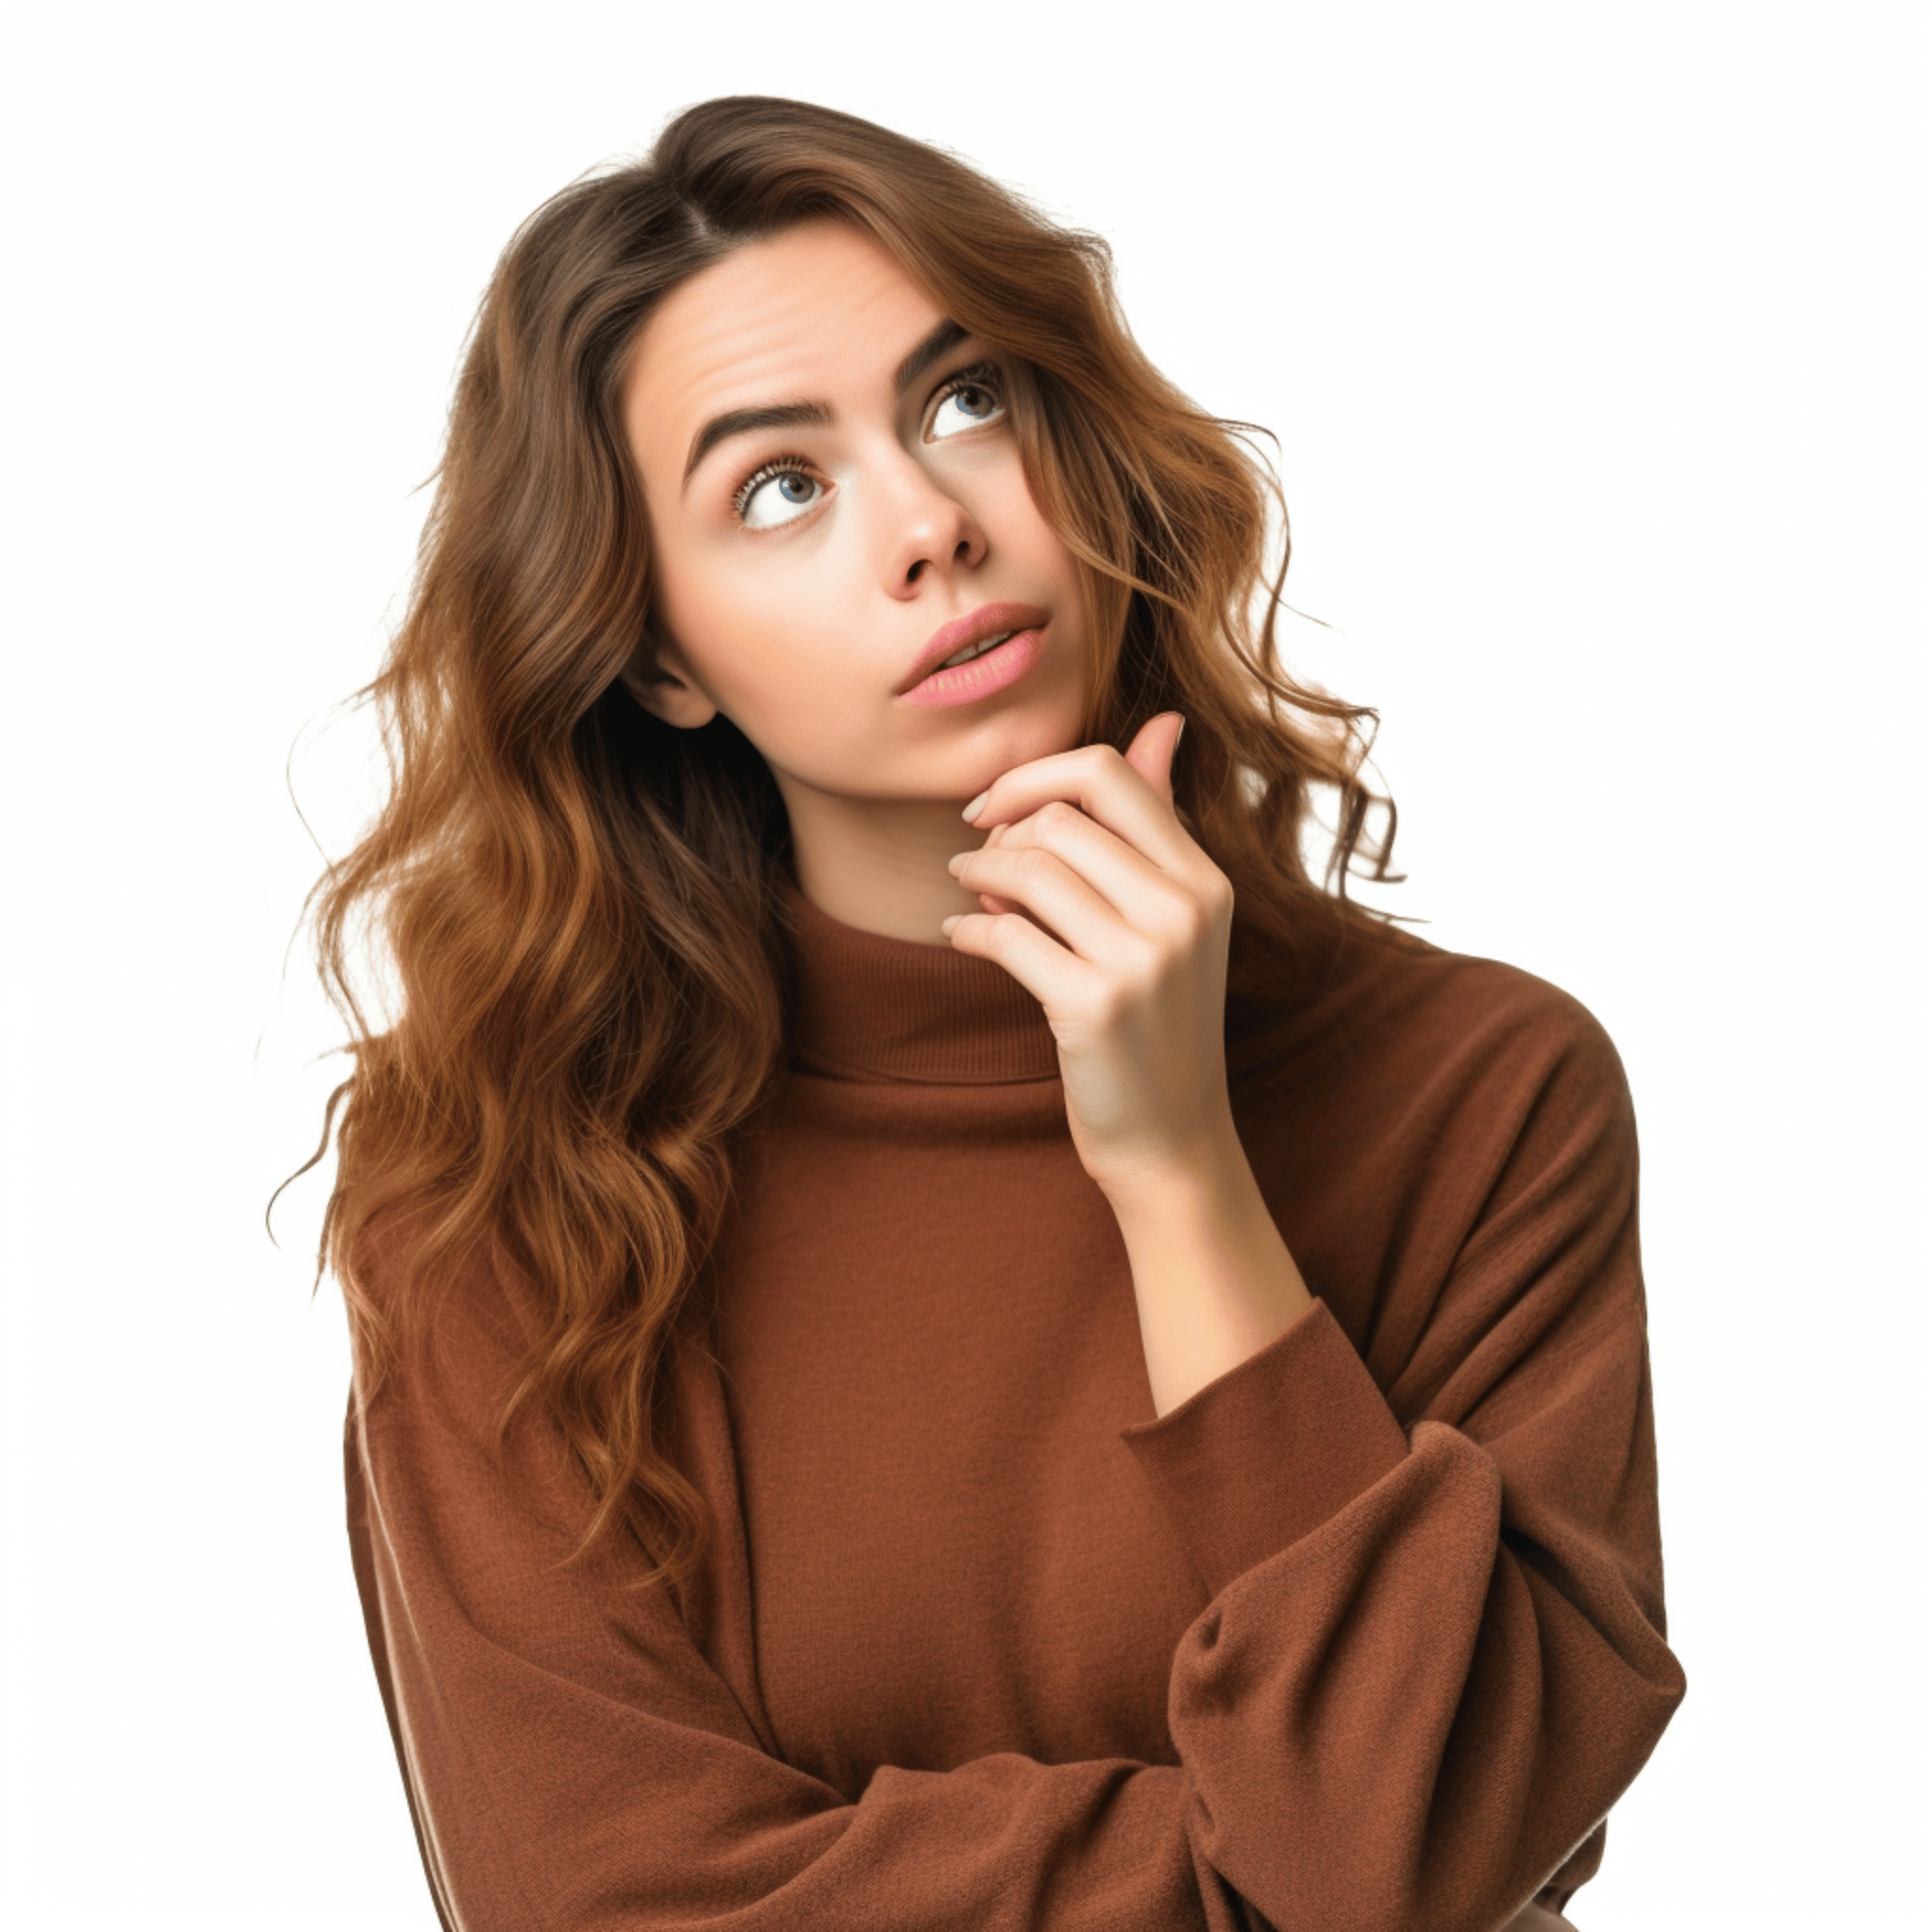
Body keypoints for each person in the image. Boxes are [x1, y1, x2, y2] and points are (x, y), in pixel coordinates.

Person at [314, 95, 1685, 1932]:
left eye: (968, 401)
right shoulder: (494, 1184)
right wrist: (1261, 1882)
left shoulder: (1485, 1097)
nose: (932, 526)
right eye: (777, 485)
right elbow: (601, 1899)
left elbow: (1400, 1844)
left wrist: (1181, 1170)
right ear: (656, 651)